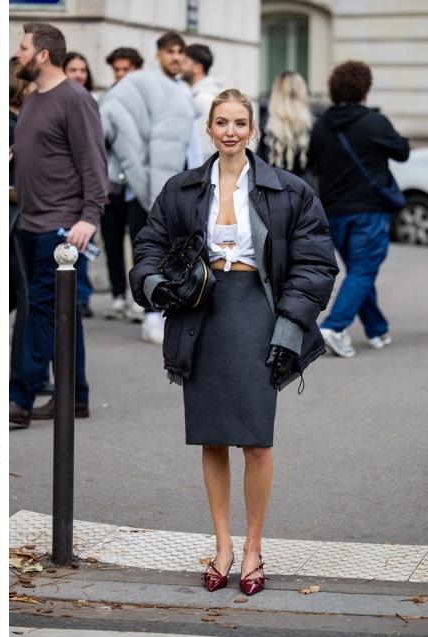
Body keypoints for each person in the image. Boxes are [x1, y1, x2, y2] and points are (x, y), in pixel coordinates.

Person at [130, 88, 337, 598]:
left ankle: (253, 548)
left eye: (240, 123)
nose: (230, 131)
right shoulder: (181, 189)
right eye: (221, 122)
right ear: (209, 128)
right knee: (212, 436)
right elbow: (148, 245)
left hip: (258, 313)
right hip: (202, 315)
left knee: (257, 440)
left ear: (254, 130)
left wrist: (290, 326)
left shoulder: (289, 190)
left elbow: (315, 263)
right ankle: (223, 547)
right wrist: (155, 284)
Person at [8, 23, 107, 427]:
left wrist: (89, 217)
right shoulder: (33, 99)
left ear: (43, 55)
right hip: (30, 223)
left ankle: (20, 399)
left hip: (61, 228)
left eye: (23, 47)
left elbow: (94, 164)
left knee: (40, 315)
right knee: (62, 315)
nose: (18, 54)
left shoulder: (76, 99)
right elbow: (43, 148)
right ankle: (76, 397)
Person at [308, 61, 409, 358]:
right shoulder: (374, 123)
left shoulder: (322, 125)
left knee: (358, 271)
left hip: (334, 212)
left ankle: (377, 330)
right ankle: (334, 327)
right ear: (364, 90)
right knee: (363, 270)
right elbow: (402, 151)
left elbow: (315, 164)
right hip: (369, 210)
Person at [99, 37, 197, 344]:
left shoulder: (182, 92)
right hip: (150, 190)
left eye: (181, 52)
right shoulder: (143, 90)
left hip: (176, 186)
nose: (177, 57)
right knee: (150, 250)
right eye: (171, 52)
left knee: (175, 251)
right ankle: (153, 312)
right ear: (158, 56)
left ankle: (165, 309)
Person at [100, 47, 145, 321]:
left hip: (139, 185)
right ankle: (118, 297)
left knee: (142, 244)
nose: (121, 74)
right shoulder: (106, 99)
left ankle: (140, 298)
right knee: (112, 242)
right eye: (117, 69)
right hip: (111, 184)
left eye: (126, 68)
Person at [63, 50, 97, 317]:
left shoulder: (91, 101)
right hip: (65, 190)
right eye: (73, 69)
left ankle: (81, 296)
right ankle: (71, 296)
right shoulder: (59, 101)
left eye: (82, 70)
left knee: (83, 246)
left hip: (86, 190)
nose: (78, 74)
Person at [9, 56, 32, 397]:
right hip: (17, 218)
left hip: (23, 217)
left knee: (23, 297)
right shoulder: (12, 123)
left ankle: (25, 373)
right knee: (26, 298)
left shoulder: (22, 121)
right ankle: (21, 376)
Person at [261, 71, 314, 184]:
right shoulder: (312, 126)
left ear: (276, 94)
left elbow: (260, 163)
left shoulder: (267, 127)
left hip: (275, 187)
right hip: (305, 189)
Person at [182, 44, 225, 167]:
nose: (180, 66)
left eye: (185, 62)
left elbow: (204, 145)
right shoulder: (202, 96)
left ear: (198, 68)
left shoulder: (202, 99)